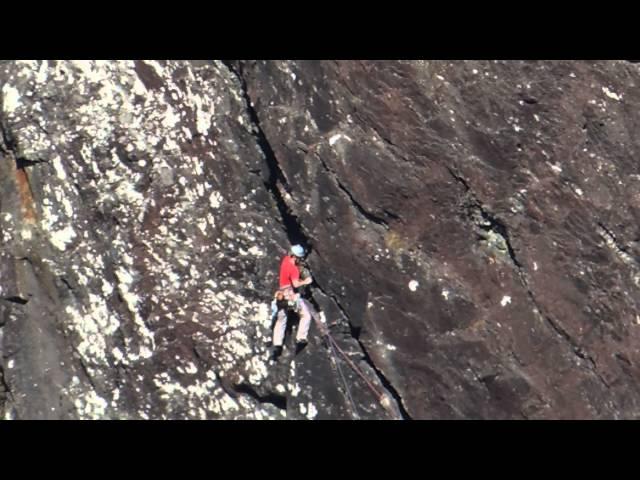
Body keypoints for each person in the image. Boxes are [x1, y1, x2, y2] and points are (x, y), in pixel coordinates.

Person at [271, 245, 314, 360]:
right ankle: (301, 338)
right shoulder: (294, 269)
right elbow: (295, 284)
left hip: (281, 294)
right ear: (297, 257)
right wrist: (306, 281)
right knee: (306, 315)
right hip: (290, 295)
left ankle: (277, 345)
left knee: (281, 319)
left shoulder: (285, 260)